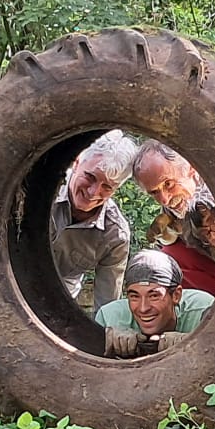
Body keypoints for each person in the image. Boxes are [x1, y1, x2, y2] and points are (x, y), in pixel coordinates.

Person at [52, 131, 136, 307]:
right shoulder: (38, 188)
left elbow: (107, 304)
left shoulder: (115, 235)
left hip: (57, 303)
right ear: (76, 163)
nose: (93, 192)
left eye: (107, 187)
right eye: (90, 177)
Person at [131, 141, 215, 295]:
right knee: (168, 258)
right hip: (209, 267)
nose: (164, 199)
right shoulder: (173, 203)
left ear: (191, 169)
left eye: (168, 184)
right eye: (154, 192)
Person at [95, 250, 214, 356]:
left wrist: (194, 342)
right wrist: (107, 342)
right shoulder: (110, 318)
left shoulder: (203, 311)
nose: (143, 308)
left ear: (176, 295)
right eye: (134, 296)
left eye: (154, 296)